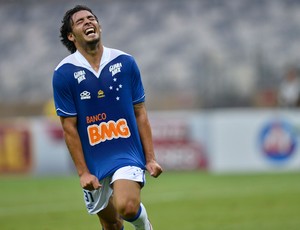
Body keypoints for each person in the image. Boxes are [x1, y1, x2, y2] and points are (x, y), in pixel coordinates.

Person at [52, 5, 163, 230]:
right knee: (111, 224)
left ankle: (145, 227)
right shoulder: (63, 74)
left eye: (91, 18)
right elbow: (69, 129)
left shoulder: (125, 63)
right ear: (71, 36)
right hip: (93, 160)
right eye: (80, 21)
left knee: (127, 207)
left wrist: (150, 158)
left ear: (99, 26)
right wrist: (83, 172)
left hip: (126, 151)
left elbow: (140, 113)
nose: (88, 22)